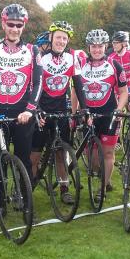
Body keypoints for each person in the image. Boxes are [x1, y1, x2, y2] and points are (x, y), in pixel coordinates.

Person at [0, 3, 42, 221]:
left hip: (22, 114)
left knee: (23, 159)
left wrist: (30, 109)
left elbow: (38, 83)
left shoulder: (32, 50)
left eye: (19, 25)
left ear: (24, 26)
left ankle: (26, 204)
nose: (14, 28)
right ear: (3, 24)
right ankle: (0, 205)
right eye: (11, 24)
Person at [30, 21, 81, 204]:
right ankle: (29, 189)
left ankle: (64, 188)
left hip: (61, 111)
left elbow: (78, 85)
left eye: (64, 38)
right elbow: (33, 87)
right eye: (58, 37)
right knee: (34, 155)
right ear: (51, 38)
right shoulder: (40, 59)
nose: (61, 41)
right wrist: (36, 109)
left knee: (61, 153)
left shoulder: (71, 59)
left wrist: (84, 109)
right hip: (42, 111)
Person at [75, 29, 128, 200]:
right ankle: (103, 175)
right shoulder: (80, 64)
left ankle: (103, 188)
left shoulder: (115, 65)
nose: (97, 50)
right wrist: (74, 113)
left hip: (108, 114)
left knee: (108, 153)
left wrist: (119, 109)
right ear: (88, 47)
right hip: (88, 114)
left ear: (105, 46)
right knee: (91, 156)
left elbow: (123, 91)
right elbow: (75, 91)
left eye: (100, 46)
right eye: (93, 46)